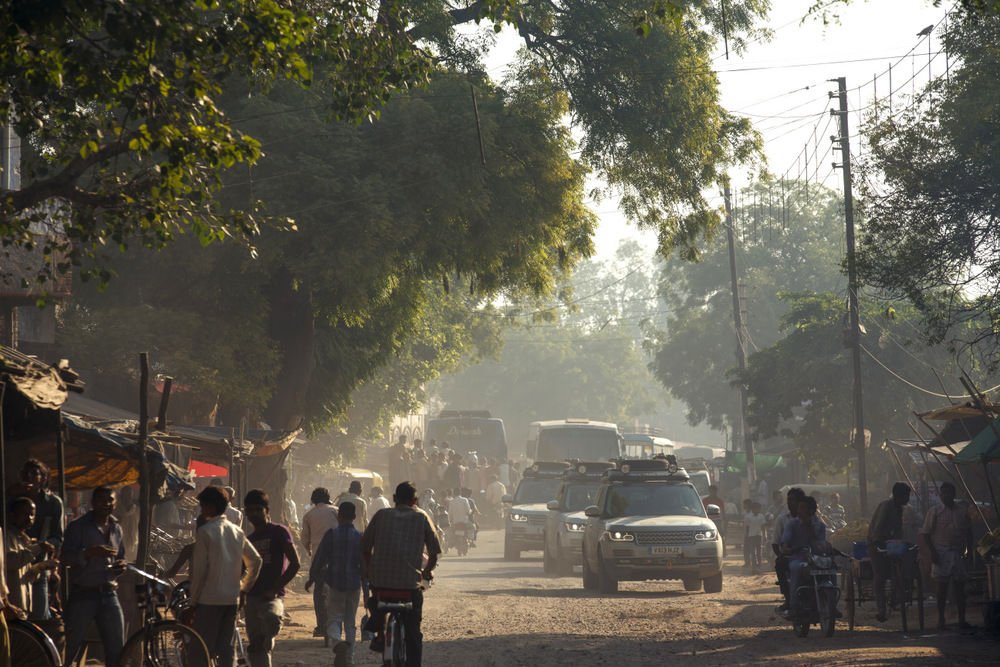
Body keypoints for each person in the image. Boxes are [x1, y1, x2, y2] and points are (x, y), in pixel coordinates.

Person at [361, 482, 441, 667]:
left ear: (394, 499)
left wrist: (369, 569)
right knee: (414, 632)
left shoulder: (381, 515)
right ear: (415, 500)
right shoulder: (422, 517)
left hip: (380, 582)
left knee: (376, 602)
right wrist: (426, 572)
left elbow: (364, 547)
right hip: (409, 585)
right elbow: (434, 553)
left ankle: (378, 628)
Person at [190, 486, 262, 667]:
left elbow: (200, 571)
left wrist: (193, 602)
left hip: (208, 599)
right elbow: (256, 561)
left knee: (201, 648)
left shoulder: (205, 532)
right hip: (231, 599)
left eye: (203, 505)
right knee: (226, 647)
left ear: (211, 507)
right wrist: (244, 588)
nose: (201, 509)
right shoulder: (236, 531)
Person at [62, 486, 128, 667]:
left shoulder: (116, 528)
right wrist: (88, 553)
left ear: (115, 503)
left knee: (116, 648)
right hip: (83, 594)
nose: (106, 503)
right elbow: (65, 558)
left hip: (109, 593)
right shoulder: (78, 527)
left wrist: (120, 566)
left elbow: (121, 556)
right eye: (101, 500)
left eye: (110, 500)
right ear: (93, 503)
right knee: (70, 646)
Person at [244, 489, 300, 667]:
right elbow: (242, 570)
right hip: (251, 596)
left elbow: (295, 564)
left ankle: (268, 638)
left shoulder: (279, 532)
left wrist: (275, 589)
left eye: (257, 509)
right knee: (256, 648)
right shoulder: (249, 539)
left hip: (272, 596)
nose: (253, 514)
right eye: (250, 510)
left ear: (266, 510)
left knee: (271, 619)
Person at [306, 502, 362, 666]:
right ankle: (349, 658)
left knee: (334, 618)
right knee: (350, 621)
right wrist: (366, 583)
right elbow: (364, 563)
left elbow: (320, 558)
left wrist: (312, 577)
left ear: (339, 516)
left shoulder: (331, 534)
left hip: (334, 582)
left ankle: (338, 643)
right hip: (353, 583)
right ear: (354, 517)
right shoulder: (359, 536)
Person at [920, 481, 974, 631]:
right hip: (940, 552)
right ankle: (941, 620)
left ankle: (962, 619)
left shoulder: (962, 511)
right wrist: (933, 553)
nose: (946, 496)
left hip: (957, 552)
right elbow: (926, 534)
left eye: (949, 493)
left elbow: (969, 532)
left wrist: (970, 551)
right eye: (943, 494)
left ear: (954, 494)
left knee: (960, 589)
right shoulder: (935, 511)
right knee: (941, 589)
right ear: (940, 495)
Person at [17, 459, 64, 620]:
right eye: (26, 474)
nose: (29, 477)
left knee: (39, 616)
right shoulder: (13, 499)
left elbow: (57, 537)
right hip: (15, 564)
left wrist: (45, 546)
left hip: (38, 566)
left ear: (43, 478)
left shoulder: (52, 503)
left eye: (34, 474)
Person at [5, 497, 58, 616]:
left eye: (32, 515)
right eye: (24, 514)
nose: (29, 518)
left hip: (21, 606)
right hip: (9, 605)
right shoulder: (5, 536)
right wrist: (38, 547)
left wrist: (41, 567)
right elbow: (10, 562)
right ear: (12, 515)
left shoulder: (23, 539)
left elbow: (26, 575)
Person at [868, 482, 912, 622]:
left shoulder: (900, 508)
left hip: (892, 544)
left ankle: (896, 597)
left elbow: (898, 530)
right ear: (899, 496)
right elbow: (878, 526)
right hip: (877, 544)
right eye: (906, 496)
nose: (908, 499)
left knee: (901, 569)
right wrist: (877, 541)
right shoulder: (886, 506)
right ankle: (881, 608)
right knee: (880, 576)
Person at [781, 495, 829, 616]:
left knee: (830, 570)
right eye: (799, 508)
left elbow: (822, 542)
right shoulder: (792, 524)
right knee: (797, 569)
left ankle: (831, 603)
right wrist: (787, 548)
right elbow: (785, 541)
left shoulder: (820, 525)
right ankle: (794, 605)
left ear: (811, 510)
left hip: (816, 559)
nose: (799, 511)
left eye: (802, 508)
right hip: (798, 557)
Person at [300, 488, 339, 638]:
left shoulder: (309, 514)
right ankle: (336, 624)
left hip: (318, 557)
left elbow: (305, 539)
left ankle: (321, 626)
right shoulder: (336, 511)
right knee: (337, 591)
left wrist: (310, 550)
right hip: (336, 556)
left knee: (319, 592)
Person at [772, 487, 805, 611]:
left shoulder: (811, 518)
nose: (790, 503)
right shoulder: (782, 519)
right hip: (790, 555)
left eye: (793, 500)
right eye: (789, 500)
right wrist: (781, 555)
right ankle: (788, 598)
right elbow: (775, 542)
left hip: (809, 555)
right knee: (780, 564)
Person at [745, 501, 767, 572]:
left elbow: (763, 527)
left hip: (758, 536)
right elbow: (747, 527)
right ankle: (754, 567)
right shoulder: (748, 517)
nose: (758, 510)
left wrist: (764, 535)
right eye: (756, 508)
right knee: (752, 552)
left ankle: (759, 566)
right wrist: (747, 536)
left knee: (759, 552)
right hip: (751, 536)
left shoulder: (761, 516)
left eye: (759, 509)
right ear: (753, 509)